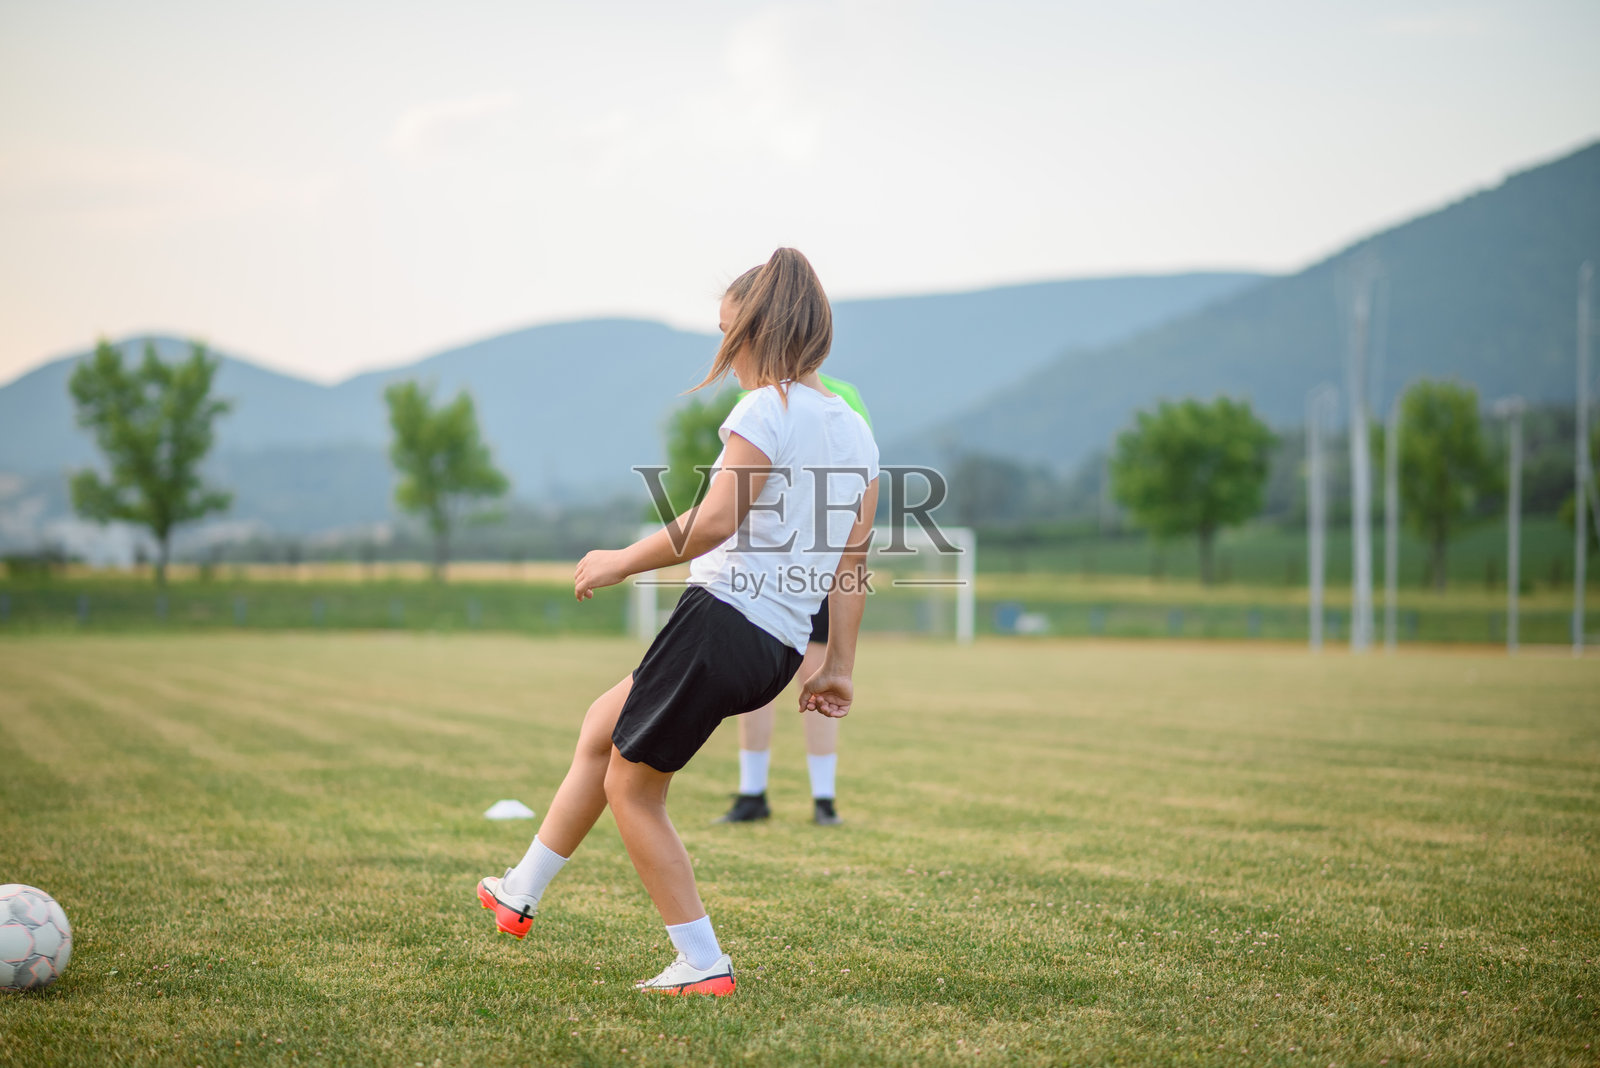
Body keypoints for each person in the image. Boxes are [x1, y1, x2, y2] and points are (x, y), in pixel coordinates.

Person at [475, 248, 879, 997]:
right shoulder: (857, 433)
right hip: (779, 647)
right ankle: (518, 893)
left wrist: (621, 560)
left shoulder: (767, 409)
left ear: (758, 331)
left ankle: (702, 963)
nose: (723, 355)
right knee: (605, 725)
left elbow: (719, 518)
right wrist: (840, 665)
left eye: (728, 334)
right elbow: (851, 566)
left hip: (722, 621)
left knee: (633, 785)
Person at [718, 371, 872, 827]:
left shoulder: (832, 397)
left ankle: (818, 798)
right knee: (761, 684)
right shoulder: (767, 393)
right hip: (776, 565)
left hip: (799, 566)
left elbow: (853, 479)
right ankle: (758, 793)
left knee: (811, 678)